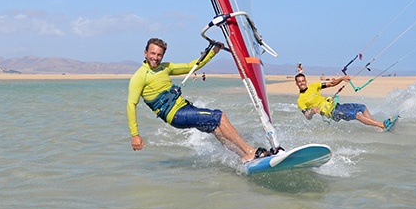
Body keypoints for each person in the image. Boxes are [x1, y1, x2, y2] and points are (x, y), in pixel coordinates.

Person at [127, 37, 273, 162]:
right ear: (145, 53)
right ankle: (250, 151)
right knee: (219, 116)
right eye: (152, 53)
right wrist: (135, 135)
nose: (155, 57)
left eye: (159, 54)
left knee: (216, 128)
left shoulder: (166, 68)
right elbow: (131, 105)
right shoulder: (139, 77)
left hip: (185, 108)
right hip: (176, 115)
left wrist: (212, 53)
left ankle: (244, 156)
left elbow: (192, 66)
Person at [295, 73, 393, 131]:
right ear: (296, 83)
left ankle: (378, 127)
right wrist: (312, 112)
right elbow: (307, 117)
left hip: (337, 106)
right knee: (357, 115)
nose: (301, 83)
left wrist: (342, 79)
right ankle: (381, 125)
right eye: (299, 81)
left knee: (362, 107)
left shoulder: (313, 86)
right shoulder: (300, 101)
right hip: (333, 113)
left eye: (303, 80)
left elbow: (332, 84)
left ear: (305, 81)